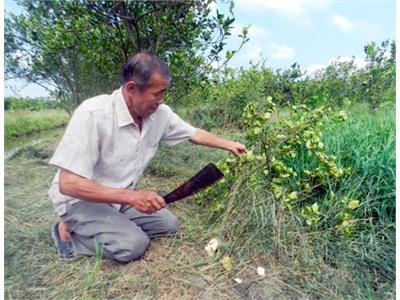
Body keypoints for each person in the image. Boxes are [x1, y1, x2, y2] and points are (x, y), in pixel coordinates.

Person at [49, 52, 246, 262]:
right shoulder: (93, 114)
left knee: (168, 226)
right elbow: (68, 184)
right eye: (157, 94)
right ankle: (69, 238)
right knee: (133, 245)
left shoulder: (160, 114)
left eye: (164, 93)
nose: (161, 101)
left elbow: (194, 134)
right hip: (81, 200)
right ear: (132, 88)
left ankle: (110, 223)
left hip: (119, 197)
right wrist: (132, 197)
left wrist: (230, 145)